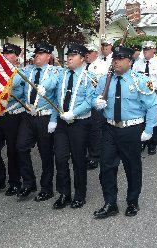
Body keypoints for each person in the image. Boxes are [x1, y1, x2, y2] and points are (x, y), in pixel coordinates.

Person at [92, 46, 157, 219]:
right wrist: (96, 102)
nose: (116, 62)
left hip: (132, 129)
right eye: (115, 58)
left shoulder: (140, 80)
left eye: (121, 59)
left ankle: (132, 201)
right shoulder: (105, 80)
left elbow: (152, 105)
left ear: (130, 61)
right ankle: (110, 203)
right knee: (106, 166)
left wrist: (149, 129)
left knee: (132, 167)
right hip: (110, 128)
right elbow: (94, 96)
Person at [52, 43, 96, 209]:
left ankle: (80, 194)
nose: (69, 57)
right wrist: (54, 118)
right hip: (62, 123)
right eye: (68, 54)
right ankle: (64, 193)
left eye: (74, 55)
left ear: (83, 58)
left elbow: (90, 100)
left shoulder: (89, 77)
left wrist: (74, 112)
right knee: (60, 158)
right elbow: (55, 95)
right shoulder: (62, 75)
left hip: (80, 123)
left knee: (78, 159)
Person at [16, 42, 60, 202]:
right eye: (36, 54)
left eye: (41, 54)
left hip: (45, 117)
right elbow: (14, 80)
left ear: (49, 56)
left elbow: (54, 84)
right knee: (21, 147)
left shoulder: (55, 71)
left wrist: (43, 86)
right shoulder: (28, 70)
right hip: (28, 116)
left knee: (46, 154)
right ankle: (29, 183)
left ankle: (47, 188)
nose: (37, 57)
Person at [0, 43, 26, 197]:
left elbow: (8, 86)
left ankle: (15, 182)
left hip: (13, 115)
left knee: (12, 150)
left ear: (17, 56)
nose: (6, 56)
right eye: (4, 53)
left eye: (10, 54)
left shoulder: (19, 73)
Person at [131, 41, 157, 155]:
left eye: (148, 49)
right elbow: (133, 78)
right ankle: (142, 141)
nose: (145, 52)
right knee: (140, 119)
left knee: (153, 120)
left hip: (155, 94)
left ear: (154, 50)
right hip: (140, 94)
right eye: (144, 49)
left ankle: (152, 144)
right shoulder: (137, 64)